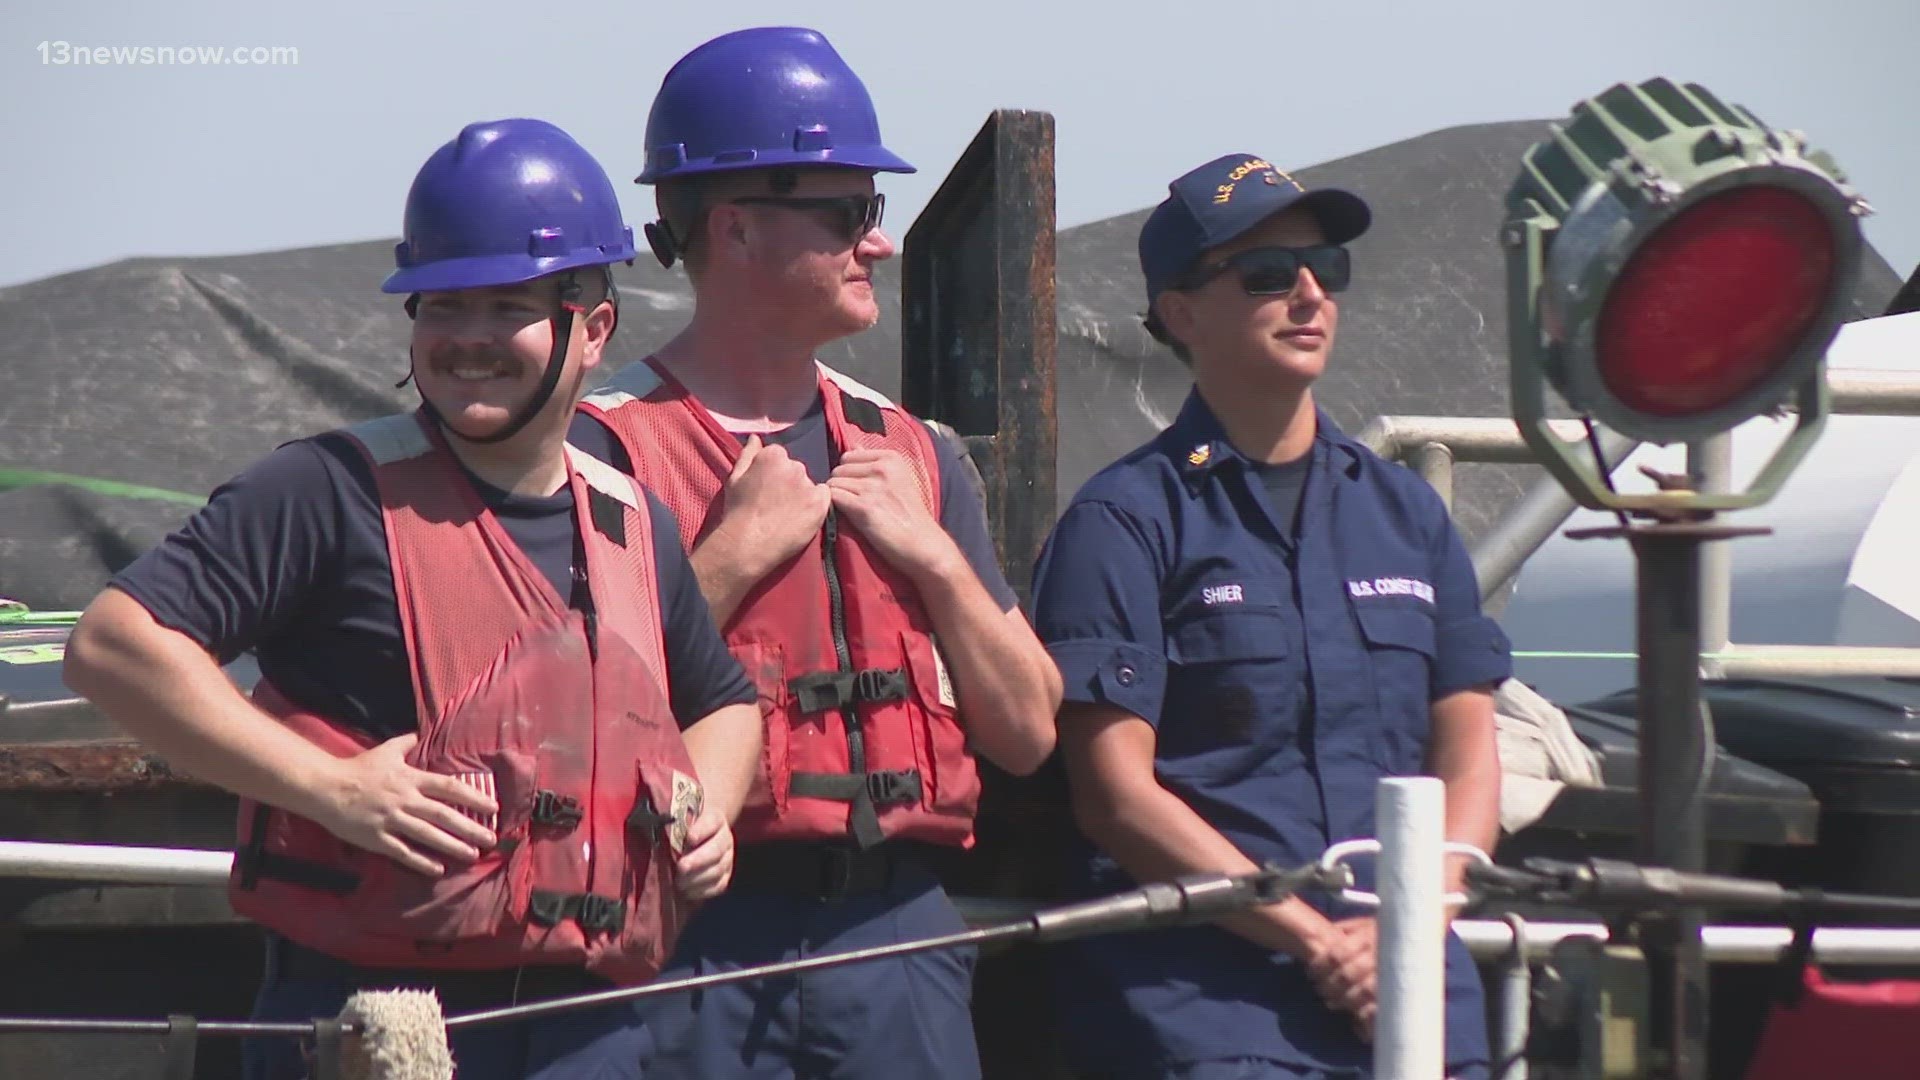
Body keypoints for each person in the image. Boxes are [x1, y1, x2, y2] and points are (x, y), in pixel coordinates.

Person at [62, 117, 764, 1080]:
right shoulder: (324, 492)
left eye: (504, 307)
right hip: (380, 1024)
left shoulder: (631, 521)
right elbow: (114, 646)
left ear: (591, 328)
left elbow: (722, 699)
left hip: (593, 1026)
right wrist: (334, 789)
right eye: (441, 309)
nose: (468, 340)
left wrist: (709, 813)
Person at [565, 25, 1062, 1080]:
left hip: (900, 945)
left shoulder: (915, 454)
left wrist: (935, 560)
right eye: (849, 214)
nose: (876, 243)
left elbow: (1025, 733)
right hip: (690, 932)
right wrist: (728, 561)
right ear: (736, 229)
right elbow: (562, 730)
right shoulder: (603, 454)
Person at [1028, 153, 1508, 1080]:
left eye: (1326, 268)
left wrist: (1414, 925)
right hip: (1214, 1018)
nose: (1307, 292)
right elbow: (1116, 796)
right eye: (1264, 273)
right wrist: (1315, 940)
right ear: (1180, 314)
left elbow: (1470, 751)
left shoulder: (1406, 516)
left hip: (1420, 1007)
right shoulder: (1125, 522)